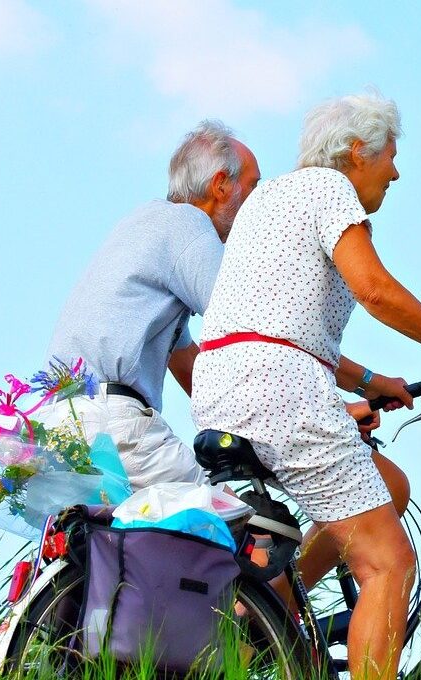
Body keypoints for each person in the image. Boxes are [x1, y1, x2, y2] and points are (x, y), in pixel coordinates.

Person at [191, 91, 421, 680]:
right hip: (278, 389)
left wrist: (374, 381)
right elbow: (373, 289)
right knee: (388, 563)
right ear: (357, 150)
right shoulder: (329, 189)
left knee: (387, 485)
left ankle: (268, 622)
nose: (395, 171)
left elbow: (281, 324)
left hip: (225, 386)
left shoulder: (269, 199)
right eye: (391, 154)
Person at [44, 120, 261, 492]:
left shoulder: (144, 222)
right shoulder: (189, 225)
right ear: (221, 184)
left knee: (122, 543)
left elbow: (185, 360)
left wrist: (253, 425)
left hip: (60, 423)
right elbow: (253, 327)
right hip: (114, 424)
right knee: (238, 527)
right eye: (254, 187)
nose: (257, 204)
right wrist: (320, 413)